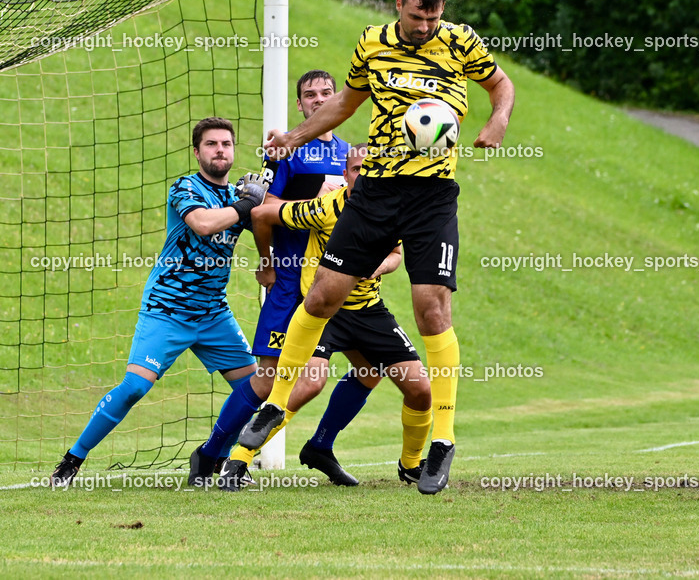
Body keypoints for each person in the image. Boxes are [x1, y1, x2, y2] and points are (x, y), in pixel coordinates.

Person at [240, 0, 515, 495]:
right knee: (321, 296)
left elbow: (501, 85)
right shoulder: (372, 44)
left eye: (433, 17)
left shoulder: (461, 42)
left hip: (432, 197)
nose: (425, 26)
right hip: (375, 193)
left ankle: (443, 439)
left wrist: (498, 118)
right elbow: (346, 102)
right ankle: (274, 408)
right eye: (417, 16)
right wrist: (295, 137)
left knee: (432, 307)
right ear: (398, 5)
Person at [51, 117, 269, 487]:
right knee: (135, 387)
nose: (220, 150)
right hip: (167, 310)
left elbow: (269, 222)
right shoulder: (185, 187)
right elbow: (203, 224)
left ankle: (214, 458)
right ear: (197, 151)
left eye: (226, 144)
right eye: (212, 144)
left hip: (214, 314)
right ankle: (72, 460)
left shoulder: (238, 196)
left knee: (258, 390)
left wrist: (267, 235)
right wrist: (248, 203)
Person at [217, 145, 433, 491]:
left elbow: (395, 253)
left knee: (419, 389)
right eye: (357, 169)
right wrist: (266, 261)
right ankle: (238, 459)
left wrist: (381, 266)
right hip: (323, 310)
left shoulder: (392, 208)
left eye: (371, 169)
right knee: (310, 382)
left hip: (367, 310)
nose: (363, 175)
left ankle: (406, 465)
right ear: (344, 175)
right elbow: (261, 216)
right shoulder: (326, 207)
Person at [186, 71, 348, 482]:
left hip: (333, 283)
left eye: (326, 93)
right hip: (291, 280)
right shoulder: (285, 151)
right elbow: (261, 207)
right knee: (266, 378)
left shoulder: (351, 155)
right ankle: (213, 455)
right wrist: (267, 260)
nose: (318, 100)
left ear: (338, 100)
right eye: (309, 95)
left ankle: (306, 448)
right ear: (300, 105)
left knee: (320, 377)